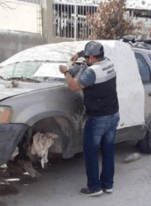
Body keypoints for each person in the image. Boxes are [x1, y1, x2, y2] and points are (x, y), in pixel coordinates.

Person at [59, 41, 120, 197]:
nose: (85, 61)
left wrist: (66, 72)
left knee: (91, 151)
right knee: (108, 150)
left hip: (98, 117)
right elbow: (93, 55)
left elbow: (73, 86)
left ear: (92, 57)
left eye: (86, 58)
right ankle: (108, 185)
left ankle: (94, 187)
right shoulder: (109, 64)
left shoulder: (93, 72)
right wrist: (78, 55)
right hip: (113, 114)